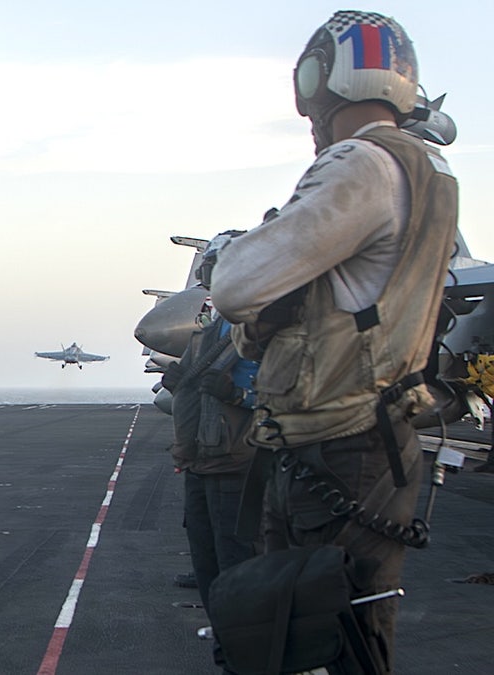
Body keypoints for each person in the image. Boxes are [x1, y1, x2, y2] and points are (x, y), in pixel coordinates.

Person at [210, 11, 458, 672]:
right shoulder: (429, 173)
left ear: (325, 80)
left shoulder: (359, 164)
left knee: (308, 634)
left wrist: (229, 252)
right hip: (375, 439)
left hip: (336, 444)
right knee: (352, 630)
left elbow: (235, 285)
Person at [162, 232, 260, 663]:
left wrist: (238, 397)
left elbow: (287, 389)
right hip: (201, 459)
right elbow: (190, 379)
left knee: (236, 559)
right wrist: (177, 378)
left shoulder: (258, 327)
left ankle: (246, 645)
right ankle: (227, 634)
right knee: (206, 559)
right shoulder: (209, 331)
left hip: (236, 462)